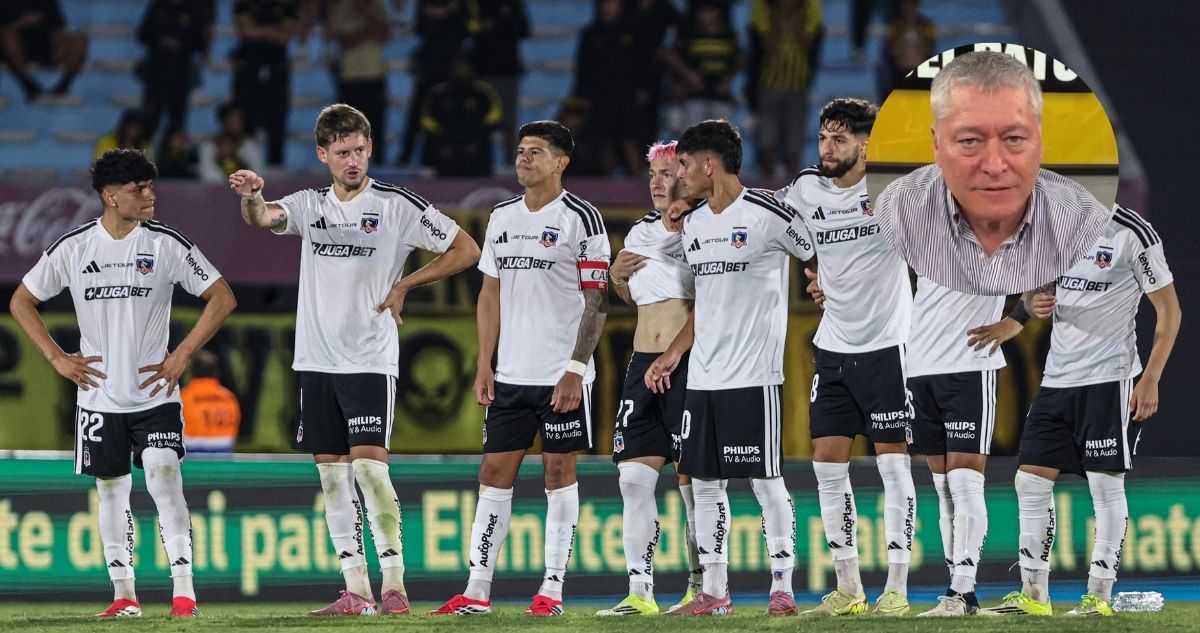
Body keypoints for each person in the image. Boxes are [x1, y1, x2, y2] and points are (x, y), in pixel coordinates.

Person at [228, 103, 481, 616]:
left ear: (370, 148)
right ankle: (356, 590)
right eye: (342, 152)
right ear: (322, 154)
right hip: (316, 360)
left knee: (370, 471)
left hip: (368, 358)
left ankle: (395, 585)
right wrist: (252, 195)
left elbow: (466, 249)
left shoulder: (395, 205)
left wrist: (407, 283)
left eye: (361, 150)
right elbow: (263, 218)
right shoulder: (308, 204)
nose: (353, 160)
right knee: (332, 476)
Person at [8, 149, 236, 619]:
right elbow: (21, 301)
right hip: (99, 398)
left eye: (150, 187)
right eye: (139, 189)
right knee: (111, 492)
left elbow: (221, 296)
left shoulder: (166, 244)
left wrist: (182, 355)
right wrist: (56, 357)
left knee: (163, 477)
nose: (150, 195)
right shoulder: (73, 248)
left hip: (155, 396)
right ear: (111, 197)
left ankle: (184, 594)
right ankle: (124, 595)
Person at [429, 121, 610, 617]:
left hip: (561, 376)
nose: (524, 159)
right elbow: (490, 293)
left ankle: (551, 591)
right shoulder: (502, 217)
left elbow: (597, 303)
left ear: (561, 163)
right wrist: (484, 362)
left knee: (558, 471)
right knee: (493, 473)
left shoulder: (582, 218)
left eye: (536, 152)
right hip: (510, 374)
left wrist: (576, 368)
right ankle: (477, 591)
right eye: (521, 151)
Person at [966, 204, 1181, 617]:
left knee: (1105, 488)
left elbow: (1170, 310)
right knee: (1028, 482)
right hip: (1057, 381)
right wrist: (1015, 320)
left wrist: (1150, 377)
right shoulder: (1051, 227)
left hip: (1109, 379)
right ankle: (1034, 595)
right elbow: (1036, 297)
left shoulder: (1132, 232)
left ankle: (1098, 596)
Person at [645, 120, 815, 617]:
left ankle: (782, 587)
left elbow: (815, 254)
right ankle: (715, 592)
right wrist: (676, 352)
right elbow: (708, 301)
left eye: (684, 166)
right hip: (703, 377)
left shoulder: (765, 214)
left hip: (753, 376)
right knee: (703, 483)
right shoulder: (694, 224)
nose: (678, 175)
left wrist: (820, 287)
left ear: (708, 165)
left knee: (765, 482)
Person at [773, 98, 917, 617]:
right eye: (823, 138)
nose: (827, 148)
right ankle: (850, 588)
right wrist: (816, 273)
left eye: (839, 139)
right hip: (833, 348)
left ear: (866, 145)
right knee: (828, 468)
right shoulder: (806, 188)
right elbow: (768, 219)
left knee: (893, 469)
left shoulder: (895, 191)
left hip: (887, 346)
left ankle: (897, 588)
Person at [874, 50, 1112, 296]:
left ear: (1040, 141)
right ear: (937, 144)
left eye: (1014, 139)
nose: (995, 166)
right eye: (970, 141)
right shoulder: (897, 210)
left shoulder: (1085, 222)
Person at [594, 141, 702, 617]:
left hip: (689, 364)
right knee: (633, 481)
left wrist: (676, 355)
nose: (657, 182)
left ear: (688, 175)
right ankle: (641, 591)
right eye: (652, 174)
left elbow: (716, 300)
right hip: (642, 364)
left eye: (667, 173)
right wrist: (616, 276)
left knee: (693, 484)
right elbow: (628, 293)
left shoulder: (707, 228)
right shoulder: (638, 231)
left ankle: (703, 587)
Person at [231, 0, 297, 166]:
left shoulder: (285, 5)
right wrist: (272, 31)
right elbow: (244, 30)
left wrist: (258, 30)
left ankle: (275, 167)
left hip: (276, 70)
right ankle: (243, 167)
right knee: (246, 121)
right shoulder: (245, 4)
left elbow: (284, 36)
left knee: (276, 121)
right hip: (249, 70)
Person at [136, 0, 215, 139]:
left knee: (177, 118)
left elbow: (200, 42)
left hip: (180, 69)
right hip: (157, 67)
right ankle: (143, 152)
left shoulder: (193, 9)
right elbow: (142, 35)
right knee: (150, 115)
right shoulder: (158, 6)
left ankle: (171, 156)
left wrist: (179, 43)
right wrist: (160, 40)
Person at [326, 0, 390, 164]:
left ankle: (379, 165)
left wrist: (367, 18)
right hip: (350, 76)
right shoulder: (341, 8)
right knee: (348, 127)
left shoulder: (377, 8)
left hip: (374, 74)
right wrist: (368, 31)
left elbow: (384, 35)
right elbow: (344, 42)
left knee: (377, 126)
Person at [419, 54, 502, 177]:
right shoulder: (439, 93)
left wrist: (477, 140)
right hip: (446, 153)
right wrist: (442, 143)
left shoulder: (483, 92)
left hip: (477, 153)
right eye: (458, 66)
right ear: (451, 68)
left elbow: (494, 117)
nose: (461, 70)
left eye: (464, 66)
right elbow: (427, 121)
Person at [470, 0, 530, 162]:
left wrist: (498, 23)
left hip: (507, 70)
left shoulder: (514, 4)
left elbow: (524, 30)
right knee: (481, 122)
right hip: (483, 71)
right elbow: (469, 29)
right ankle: (482, 162)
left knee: (508, 122)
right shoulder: (476, 4)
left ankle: (510, 163)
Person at [0, 0, 88, 101]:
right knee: (8, 38)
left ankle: (64, 85)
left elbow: (59, 27)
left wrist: (58, 39)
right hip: (14, 48)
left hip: (44, 44)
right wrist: (23, 22)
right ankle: (29, 85)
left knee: (80, 40)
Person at [180, 349, 242, 454]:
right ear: (216, 372)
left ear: (192, 371)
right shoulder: (228, 397)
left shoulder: (183, 397)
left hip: (192, 453)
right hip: (224, 451)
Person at [199, 103, 265, 183]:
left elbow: (257, 175)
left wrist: (235, 158)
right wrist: (222, 159)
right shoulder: (209, 146)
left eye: (239, 120)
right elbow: (209, 176)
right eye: (233, 119)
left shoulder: (250, 146)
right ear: (223, 121)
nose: (236, 124)